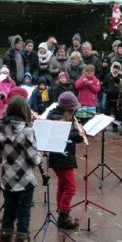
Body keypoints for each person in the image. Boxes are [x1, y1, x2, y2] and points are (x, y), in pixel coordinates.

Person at [0, 96, 43, 242]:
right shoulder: (27, 131)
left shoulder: (0, 126)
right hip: (24, 180)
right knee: (24, 214)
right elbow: (34, 159)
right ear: (25, 111)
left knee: (8, 211)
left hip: (7, 179)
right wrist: (41, 154)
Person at [46, 91, 85, 229]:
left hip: (61, 156)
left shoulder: (59, 115)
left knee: (62, 185)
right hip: (61, 156)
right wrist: (78, 135)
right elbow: (64, 135)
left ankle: (61, 211)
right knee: (70, 187)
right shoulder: (57, 118)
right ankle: (63, 216)